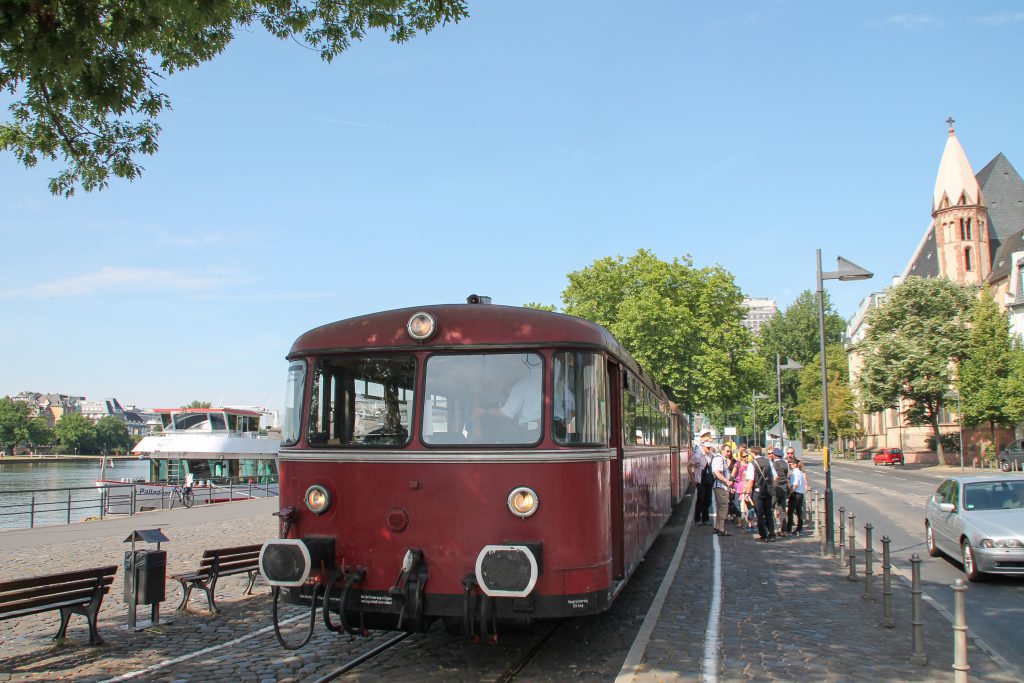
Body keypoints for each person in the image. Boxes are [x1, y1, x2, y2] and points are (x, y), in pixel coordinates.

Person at [749, 446, 777, 541]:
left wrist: (747, 492)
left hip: (758, 490)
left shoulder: (752, 464)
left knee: (760, 513)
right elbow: (775, 477)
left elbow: (751, 480)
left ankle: (763, 535)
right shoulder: (769, 462)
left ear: (753, 453)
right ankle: (772, 534)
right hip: (768, 490)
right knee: (768, 512)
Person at [688, 428, 714, 526]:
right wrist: (693, 479)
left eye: (709, 447)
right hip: (700, 480)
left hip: (708, 480)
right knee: (700, 500)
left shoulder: (710, 455)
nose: (708, 449)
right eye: (707, 447)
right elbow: (689, 467)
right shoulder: (698, 455)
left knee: (708, 500)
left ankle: (705, 519)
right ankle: (698, 519)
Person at [710, 444, 733, 536]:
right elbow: (717, 472)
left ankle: (717, 527)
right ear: (722, 450)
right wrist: (726, 481)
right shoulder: (719, 459)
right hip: (720, 486)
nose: (729, 453)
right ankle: (721, 529)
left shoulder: (722, 459)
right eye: (727, 451)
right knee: (724, 507)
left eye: (730, 451)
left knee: (721, 507)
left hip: (722, 486)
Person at [768, 448, 790, 536]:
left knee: (771, 508)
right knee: (782, 509)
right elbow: (788, 476)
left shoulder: (773, 464)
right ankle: (784, 530)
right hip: (784, 488)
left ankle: (774, 528)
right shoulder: (785, 464)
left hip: (776, 487)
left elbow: (771, 476)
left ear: (774, 455)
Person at [787, 460, 807, 534]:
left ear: (795, 464)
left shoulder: (794, 473)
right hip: (801, 494)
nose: (790, 466)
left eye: (791, 464)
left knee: (790, 512)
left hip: (795, 494)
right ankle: (799, 528)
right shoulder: (801, 472)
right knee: (799, 512)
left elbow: (795, 485)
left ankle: (789, 529)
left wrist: (789, 494)